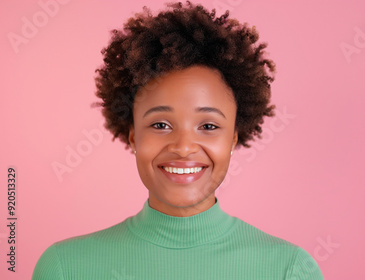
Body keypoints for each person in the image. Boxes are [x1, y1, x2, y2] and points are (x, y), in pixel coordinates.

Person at [32, 2, 324, 279]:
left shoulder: (289, 270)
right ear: (133, 135)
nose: (183, 147)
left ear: (233, 139)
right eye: (160, 124)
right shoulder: (66, 268)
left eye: (208, 125)